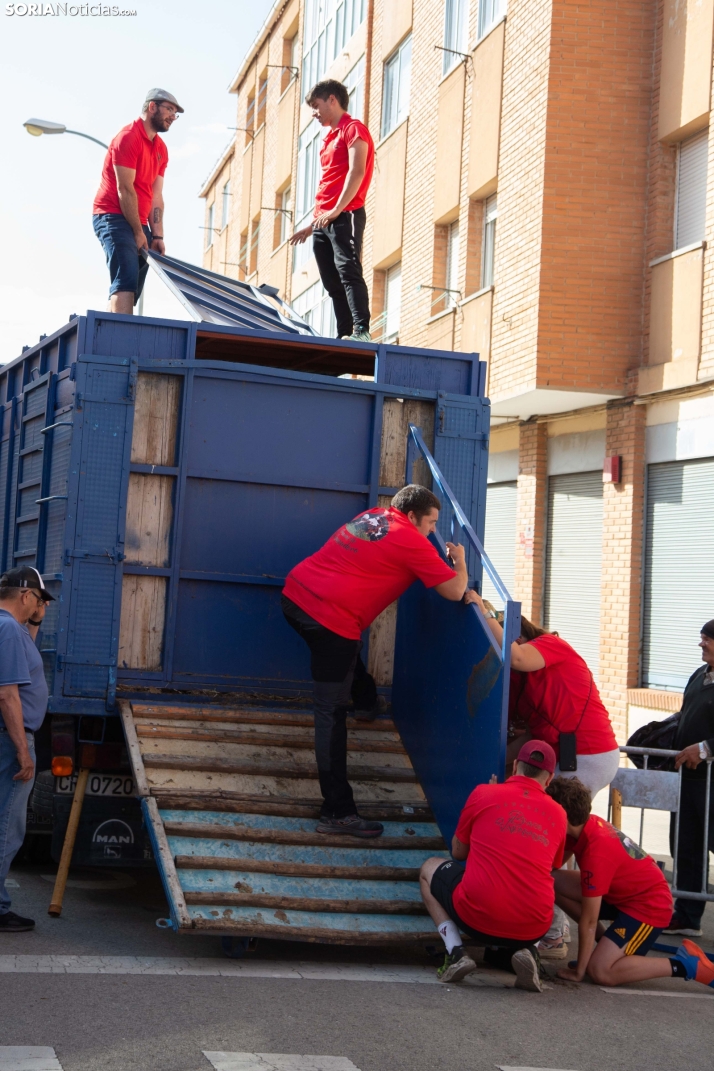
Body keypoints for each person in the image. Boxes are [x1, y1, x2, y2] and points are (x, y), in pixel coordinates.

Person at [282, 485, 468, 838]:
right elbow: (455, 591)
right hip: (330, 621)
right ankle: (337, 812)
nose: (433, 530)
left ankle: (366, 701)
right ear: (412, 516)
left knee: (343, 656)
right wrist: (458, 561)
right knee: (330, 713)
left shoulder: (375, 515)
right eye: (431, 523)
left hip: (295, 597)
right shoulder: (412, 541)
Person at [419, 740, 566, 991]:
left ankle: (455, 952)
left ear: (515, 766)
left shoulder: (483, 794)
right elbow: (552, 865)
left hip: (475, 918)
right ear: (550, 778)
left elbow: (458, 853)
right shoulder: (559, 814)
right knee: (537, 881)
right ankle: (530, 951)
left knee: (428, 868)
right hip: (534, 927)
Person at [546, 776, 714, 990]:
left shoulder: (597, 852)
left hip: (649, 908)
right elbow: (549, 868)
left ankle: (686, 964)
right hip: (623, 896)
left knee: (601, 972)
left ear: (563, 815)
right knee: (550, 881)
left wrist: (580, 971)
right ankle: (605, 946)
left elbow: (589, 921)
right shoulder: (583, 825)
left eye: (548, 811)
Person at [465, 591, 619, 796]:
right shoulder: (520, 681)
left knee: (544, 810)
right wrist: (493, 759)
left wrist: (485, 614)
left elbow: (517, 657)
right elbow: (531, 734)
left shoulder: (551, 645)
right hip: (564, 753)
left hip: (588, 752)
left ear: (518, 638)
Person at [289, 79, 374, 342]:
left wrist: (337, 210)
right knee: (331, 281)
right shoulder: (328, 139)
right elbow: (329, 184)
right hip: (323, 221)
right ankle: (345, 334)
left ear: (332, 100)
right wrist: (312, 225)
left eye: (316, 106)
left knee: (348, 270)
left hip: (346, 213)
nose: (314, 113)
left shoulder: (354, 129)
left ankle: (361, 331)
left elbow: (357, 172)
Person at [93, 88, 183, 314]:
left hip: (139, 221)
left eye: (175, 113)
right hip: (112, 215)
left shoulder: (161, 148)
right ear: (152, 107)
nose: (173, 117)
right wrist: (137, 231)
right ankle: (122, 334)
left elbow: (156, 195)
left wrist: (157, 235)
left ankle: (107, 328)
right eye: (169, 110)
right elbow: (125, 189)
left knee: (131, 287)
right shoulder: (128, 137)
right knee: (125, 279)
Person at [0, 568, 52, 933]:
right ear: (25, 595)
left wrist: (35, 623)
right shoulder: (7, 629)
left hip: (6, 736)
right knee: (7, 826)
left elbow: (23, 661)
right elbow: (7, 694)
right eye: (39, 599)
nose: (40, 606)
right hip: (9, 739)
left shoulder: (11, 629)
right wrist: (23, 750)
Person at [663, 620, 714, 938]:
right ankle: (687, 915)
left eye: (708, 639)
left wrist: (706, 749)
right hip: (688, 780)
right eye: (702, 638)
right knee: (686, 847)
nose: (701, 644)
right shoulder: (699, 675)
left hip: (712, 782)